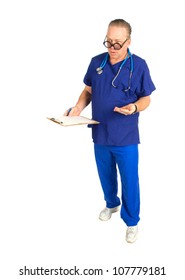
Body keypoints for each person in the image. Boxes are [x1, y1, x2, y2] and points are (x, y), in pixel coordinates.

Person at [64, 19, 156, 243]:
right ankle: (111, 204)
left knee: (129, 180)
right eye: (109, 42)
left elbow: (146, 98)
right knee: (105, 176)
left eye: (117, 44)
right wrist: (77, 107)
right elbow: (88, 91)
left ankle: (132, 221)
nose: (112, 48)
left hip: (125, 137)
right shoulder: (97, 62)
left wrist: (134, 107)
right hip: (100, 133)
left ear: (128, 41)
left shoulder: (139, 65)